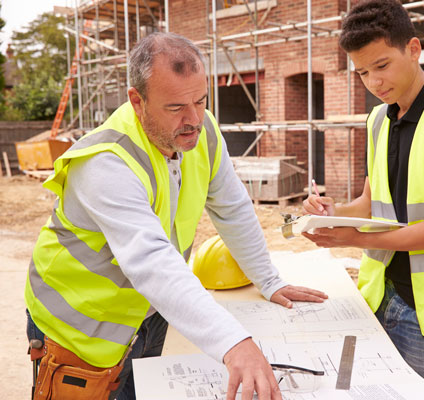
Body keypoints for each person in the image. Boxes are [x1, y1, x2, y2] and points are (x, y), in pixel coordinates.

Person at [25, 32, 327, 400]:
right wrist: (234, 343)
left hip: (150, 315)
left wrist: (268, 279)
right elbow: (151, 261)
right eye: (175, 108)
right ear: (137, 101)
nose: (194, 119)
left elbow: (233, 209)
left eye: (200, 101)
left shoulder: (204, 132)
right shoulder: (104, 162)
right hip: (79, 332)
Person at [302, 1, 424, 399]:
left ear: (413, 49)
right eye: (361, 72)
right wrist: (332, 215)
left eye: (381, 65)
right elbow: (372, 204)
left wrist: (355, 240)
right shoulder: (379, 120)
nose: (373, 81)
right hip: (380, 294)